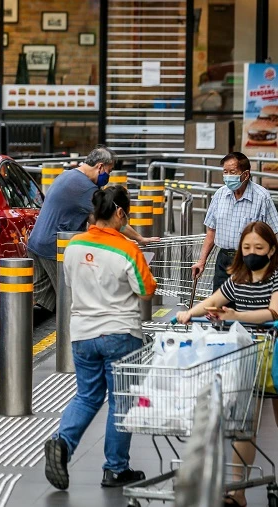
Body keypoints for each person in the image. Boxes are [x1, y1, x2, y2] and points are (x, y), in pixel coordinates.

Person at [177, 221, 278, 506]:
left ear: (271, 249)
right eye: (246, 247)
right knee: (244, 427)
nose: (251, 253)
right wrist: (189, 313)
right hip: (247, 358)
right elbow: (214, 300)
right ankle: (238, 491)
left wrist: (235, 316)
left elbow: (275, 312)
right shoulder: (239, 277)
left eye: (258, 247)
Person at [0, 145, 159, 348]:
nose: (107, 177)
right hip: (54, 248)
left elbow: (93, 219)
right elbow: (109, 219)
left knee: (33, 294)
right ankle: (80, 345)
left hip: (37, 242)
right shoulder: (85, 188)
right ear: (100, 166)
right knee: (75, 298)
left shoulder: (68, 176)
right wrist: (139, 238)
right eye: (108, 171)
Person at [43, 186, 157, 490]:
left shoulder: (74, 246)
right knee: (121, 400)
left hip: (82, 335)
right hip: (120, 333)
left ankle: (62, 442)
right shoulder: (128, 249)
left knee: (87, 396)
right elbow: (146, 290)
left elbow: (71, 282)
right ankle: (116, 468)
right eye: (126, 214)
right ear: (120, 213)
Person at [191, 152, 278, 293]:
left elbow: (272, 235)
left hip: (249, 260)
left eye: (232, 172)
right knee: (219, 303)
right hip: (223, 260)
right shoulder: (220, 195)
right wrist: (201, 261)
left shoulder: (261, 197)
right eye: (225, 172)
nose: (228, 176)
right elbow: (211, 231)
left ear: (245, 175)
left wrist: (269, 267)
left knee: (244, 302)